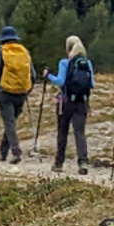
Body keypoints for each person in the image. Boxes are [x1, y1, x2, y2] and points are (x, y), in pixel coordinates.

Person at [45, 35, 94, 173]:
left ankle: (59, 163)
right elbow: (92, 84)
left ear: (68, 47)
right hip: (82, 101)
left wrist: (48, 76)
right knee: (80, 132)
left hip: (66, 102)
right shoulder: (87, 63)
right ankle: (83, 161)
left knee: (63, 132)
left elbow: (60, 81)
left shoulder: (64, 63)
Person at [0, 24, 34, 164]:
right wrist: (28, 88)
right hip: (21, 92)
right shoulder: (24, 52)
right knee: (11, 122)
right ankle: (3, 152)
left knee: (9, 123)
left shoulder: (0, 51)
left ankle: (16, 151)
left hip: (5, 91)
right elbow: (33, 74)